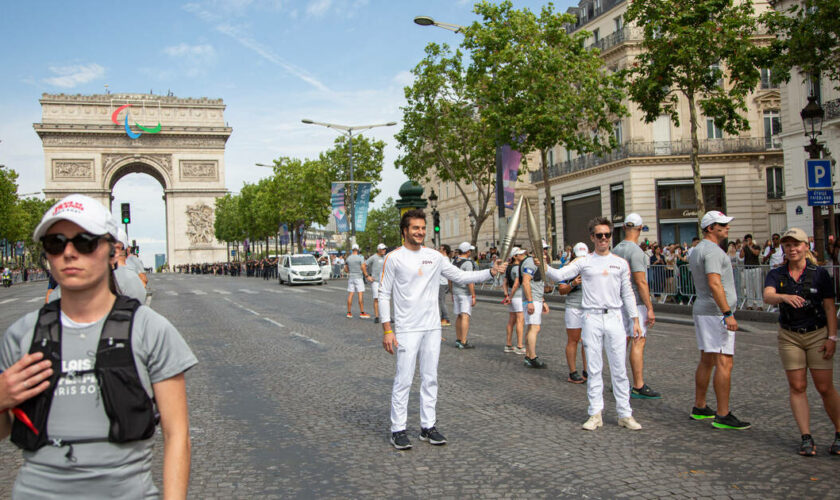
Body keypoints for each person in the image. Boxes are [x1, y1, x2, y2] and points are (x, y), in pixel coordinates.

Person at [0, 194, 196, 498]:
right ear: (47, 255)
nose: (68, 253)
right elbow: (5, 430)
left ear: (110, 251)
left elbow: (177, 434)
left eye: (85, 242)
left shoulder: (151, 330)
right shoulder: (20, 335)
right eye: (55, 243)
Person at [379, 209, 505, 450]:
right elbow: (384, 294)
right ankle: (398, 429)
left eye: (423, 228)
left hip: (432, 328)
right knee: (403, 379)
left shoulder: (435, 257)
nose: (420, 232)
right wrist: (387, 329)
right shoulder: (394, 258)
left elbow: (459, 276)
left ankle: (428, 426)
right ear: (405, 231)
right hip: (406, 328)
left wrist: (490, 272)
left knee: (430, 378)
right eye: (415, 228)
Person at [544, 216, 643, 431]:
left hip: (615, 317)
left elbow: (627, 293)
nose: (604, 239)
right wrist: (542, 265)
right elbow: (560, 275)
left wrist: (634, 320)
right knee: (594, 368)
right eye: (599, 235)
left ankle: (625, 414)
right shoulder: (584, 262)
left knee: (619, 368)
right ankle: (595, 414)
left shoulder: (620, 263)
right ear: (592, 237)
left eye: (607, 235)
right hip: (590, 317)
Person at [762, 227, 840, 456]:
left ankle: (839, 432)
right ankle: (806, 436)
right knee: (797, 386)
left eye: (796, 244)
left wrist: (832, 338)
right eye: (787, 245)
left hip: (817, 333)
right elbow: (767, 295)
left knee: (824, 387)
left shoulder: (819, 274)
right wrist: (783, 296)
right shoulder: (777, 274)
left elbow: (829, 308)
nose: (792, 249)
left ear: (806, 246)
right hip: (789, 335)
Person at [688, 210, 750, 430]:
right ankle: (723, 414)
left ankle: (700, 406)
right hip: (715, 312)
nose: (727, 227)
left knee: (707, 359)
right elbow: (714, 283)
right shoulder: (713, 251)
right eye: (722, 224)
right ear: (710, 228)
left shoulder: (697, 250)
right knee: (724, 361)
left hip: (705, 309)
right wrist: (727, 313)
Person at [611, 214, 659, 399]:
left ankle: (618, 380)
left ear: (624, 227)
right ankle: (638, 384)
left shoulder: (615, 249)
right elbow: (641, 282)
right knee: (638, 340)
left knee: (622, 342)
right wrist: (650, 307)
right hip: (634, 301)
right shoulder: (636, 251)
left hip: (618, 300)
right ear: (640, 228)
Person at [556, 242, 589, 383]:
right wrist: (573, 283)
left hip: (589, 307)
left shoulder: (591, 267)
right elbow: (561, 290)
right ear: (574, 255)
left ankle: (587, 372)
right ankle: (572, 372)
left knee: (588, 342)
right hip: (574, 307)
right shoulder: (567, 269)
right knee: (573, 340)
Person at [521, 246, 550, 368]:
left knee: (531, 328)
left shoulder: (536, 262)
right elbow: (526, 281)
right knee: (534, 328)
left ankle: (528, 355)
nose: (545, 251)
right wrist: (530, 301)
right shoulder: (531, 262)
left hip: (536, 298)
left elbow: (537, 283)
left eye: (546, 249)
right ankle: (532, 357)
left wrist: (542, 300)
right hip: (532, 299)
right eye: (542, 248)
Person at [451, 242, 477, 349]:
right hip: (464, 293)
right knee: (465, 315)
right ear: (467, 251)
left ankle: (458, 339)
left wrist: (452, 291)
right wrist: (473, 295)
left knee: (459, 316)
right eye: (470, 250)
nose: (471, 252)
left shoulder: (454, 261)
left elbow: (450, 278)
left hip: (456, 291)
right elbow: (469, 280)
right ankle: (464, 341)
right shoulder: (468, 263)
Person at [502, 247, 527, 355]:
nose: (523, 255)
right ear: (515, 256)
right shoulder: (517, 268)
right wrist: (511, 296)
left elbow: (504, 283)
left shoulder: (509, 267)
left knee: (511, 320)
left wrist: (507, 295)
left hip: (512, 296)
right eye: (520, 254)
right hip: (517, 296)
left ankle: (508, 344)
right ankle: (520, 345)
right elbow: (517, 283)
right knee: (520, 321)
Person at [364, 243, 388, 323]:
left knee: (385, 299)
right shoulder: (373, 257)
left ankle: (386, 317)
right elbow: (363, 265)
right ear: (378, 250)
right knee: (376, 299)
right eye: (383, 249)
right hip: (375, 281)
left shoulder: (386, 257)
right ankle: (377, 316)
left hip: (384, 281)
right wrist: (367, 276)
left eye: (385, 249)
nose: (384, 250)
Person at [345, 244, 369, 319]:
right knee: (360, 295)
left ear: (352, 249)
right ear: (358, 249)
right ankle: (362, 312)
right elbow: (363, 267)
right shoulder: (360, 258)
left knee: (350, 294)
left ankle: (349, 312)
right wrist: (366, 275)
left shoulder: (348, 258)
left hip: (351, 277)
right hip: (358, 277)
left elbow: (346, 269)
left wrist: (350, 271)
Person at [438, 245, 452, 327]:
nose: (439, 250)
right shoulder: (445, 259)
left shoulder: (443, 260)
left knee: (441, 301)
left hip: (441, 283)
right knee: (441, 301)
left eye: (440, 249)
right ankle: (443, 318)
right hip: (443, 282)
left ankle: (446, 318)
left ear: (444, 251)